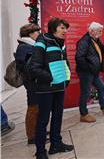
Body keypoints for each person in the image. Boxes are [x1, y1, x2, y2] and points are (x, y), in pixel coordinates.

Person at [30, 17, 73, 159]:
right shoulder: (42, 42)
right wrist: (50, 77)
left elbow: (64, 62)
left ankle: (56, 144)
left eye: (65, 28)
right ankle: (40, 152)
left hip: (59, 86)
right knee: (43, 119)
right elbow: (34, 68)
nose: (64, 31)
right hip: (46, 88)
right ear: (53, 28)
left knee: (58, 116)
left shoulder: (61, 43)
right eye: (62, 28)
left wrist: (67, 76)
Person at [76, 22, 104, 123]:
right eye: (99, 31)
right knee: (85, 93)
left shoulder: (95, 39)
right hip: (86, 72)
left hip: (93, 72)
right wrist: (89, 68)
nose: (101, 33)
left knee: (101, 87)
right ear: (92, 31)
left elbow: (102, 48)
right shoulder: (84, 41)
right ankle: (83, 114)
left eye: (101, 31)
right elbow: (79, 58)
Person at [15, 23, 41, 144]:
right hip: (32, 82)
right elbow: (27, 67)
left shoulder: (27, 45)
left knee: (36, 107)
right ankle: (32, 136)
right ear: (30, 34)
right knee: (33, 107)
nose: (39, 34)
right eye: (37, 32)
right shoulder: (25, 47)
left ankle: (37, 130)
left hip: (34, 81)